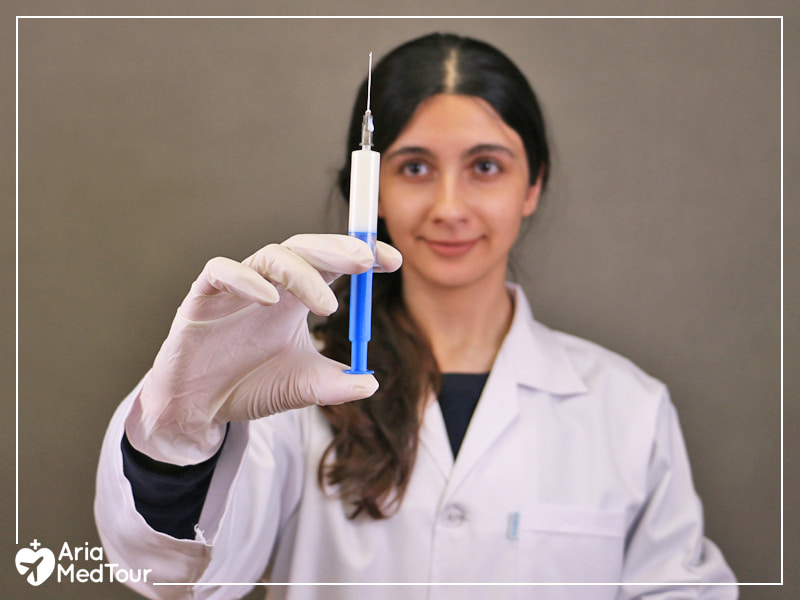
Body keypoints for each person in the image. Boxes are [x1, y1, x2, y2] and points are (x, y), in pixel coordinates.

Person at [94, 33, 738, 600]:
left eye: (485, 166)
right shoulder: (289, 388)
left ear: (532, 185)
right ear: (369, 187)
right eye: (415, 167)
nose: (449, 206)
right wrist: (177, 438)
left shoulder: (627, 409)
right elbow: (174, 578)